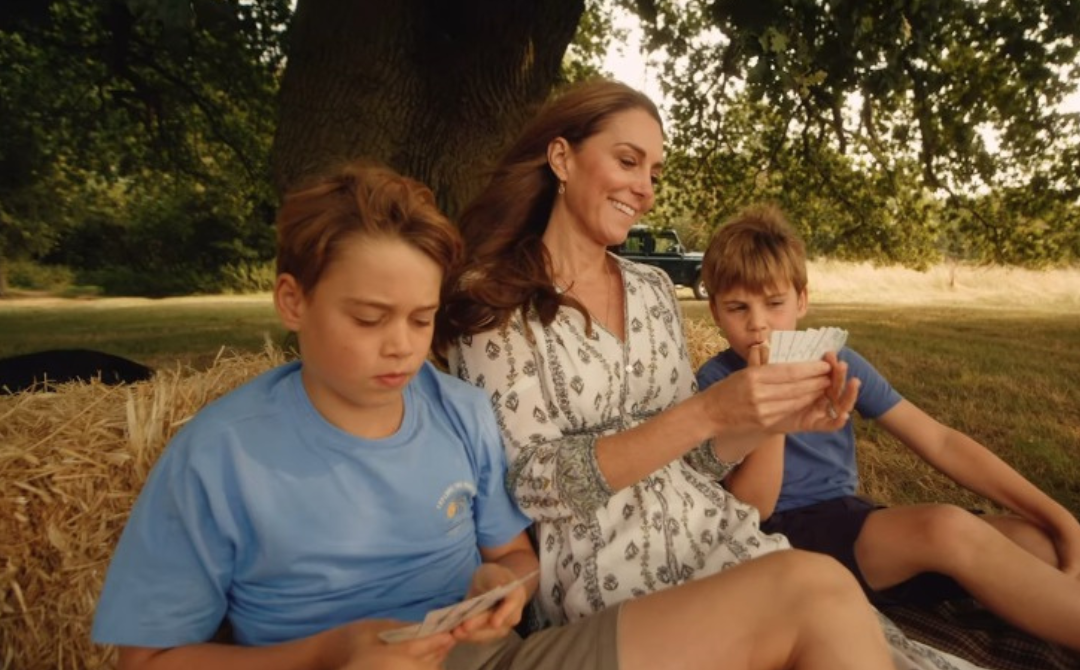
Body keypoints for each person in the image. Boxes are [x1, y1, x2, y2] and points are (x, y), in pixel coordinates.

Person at [89, 161, 895, 670]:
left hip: (494, 658)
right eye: (370, 319)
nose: (401, 349)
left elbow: (515, 555)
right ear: (292, 301)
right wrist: (333, 652)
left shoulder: (459, 412)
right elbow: (149, 656)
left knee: (813, 586)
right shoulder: (218, 456)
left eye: (419, 319)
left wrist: (504, 584)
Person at [437, 77, 988, 670]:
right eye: (628, 161)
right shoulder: (492, 300)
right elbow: (533, 486)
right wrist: (707, 410)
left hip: (715, 531)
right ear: (561, 157)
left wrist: (761, 419)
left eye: (654, 172)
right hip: (603, 568)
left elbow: (695, 460)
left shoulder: (650, 289)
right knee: (814, 598)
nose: (644, 188)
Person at [695, 203, 1080, 651]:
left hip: (854, 520)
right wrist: (771, 415)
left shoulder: (835, 364)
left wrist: (1060, 518)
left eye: (774, 303)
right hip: (785, 541)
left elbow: (939, 440)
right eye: (738, 307)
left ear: (801, 300)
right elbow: (751, 511)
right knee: (945, 527)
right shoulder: (716, 382)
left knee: (1038, 542)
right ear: (716, 312)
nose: (758, 323)